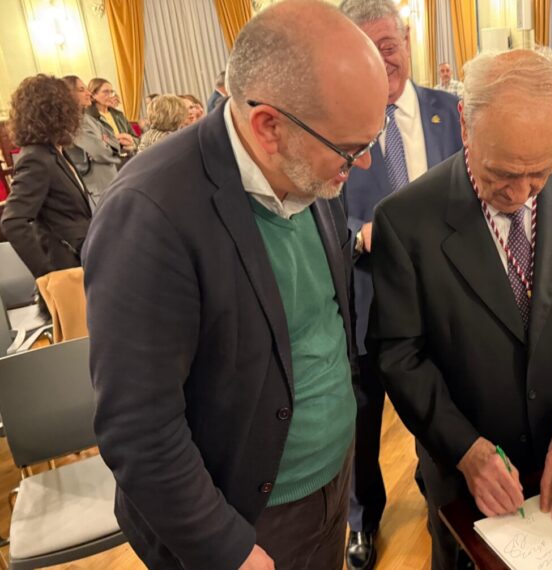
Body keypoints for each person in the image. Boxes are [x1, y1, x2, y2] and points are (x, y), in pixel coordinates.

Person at [82, 1, 388, 568]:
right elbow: (139, 428)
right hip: (245, 518)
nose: (363, 164)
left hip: (331, 481)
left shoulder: (310, 164)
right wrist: (227, 548)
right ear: (269, 126)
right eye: (350, 149)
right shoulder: (150, 212)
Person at [369, 48, 552, 570]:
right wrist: (466, 449)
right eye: (501, 172)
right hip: (466, 472)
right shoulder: (405, 220)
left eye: (540, 172)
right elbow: (399, 356)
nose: (519, 193)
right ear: (465, 124)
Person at [337, 2, 463, 568]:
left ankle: (438, 491)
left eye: (388, 44)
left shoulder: (452, 112)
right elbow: (315, 206)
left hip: (442, 300)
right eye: (365, 49)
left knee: (440, 406)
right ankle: (362, 518)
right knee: (363, 421)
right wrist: (356, 233)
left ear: (407, 41)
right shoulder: (335, 119)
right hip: (366, 300)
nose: (380, 59)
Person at [1, 74, 92, 280]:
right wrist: (47, 274)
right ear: (58, 111)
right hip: (65, 270)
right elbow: (13, 221)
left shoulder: (55, 151)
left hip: (82, 260)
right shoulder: (36, 158)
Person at [62, 75, 120, 205]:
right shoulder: (75, 122)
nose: (88, 93)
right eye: (81, 90)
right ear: (69, 94)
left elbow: (114, 142)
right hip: (98, 188)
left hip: (109, 182)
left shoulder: (88, 119)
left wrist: (106, 143)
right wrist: (106, 145)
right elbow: (100, 152)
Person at [87, 78, 138, 153]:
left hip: (128, 155)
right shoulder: (89, 117)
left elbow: (136, 138)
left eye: (111, 92)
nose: (110, 96)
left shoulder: (119, 115)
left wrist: (132, 142)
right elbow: (92, 146)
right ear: (93, 95)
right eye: (105, 92)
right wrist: (113, 141)